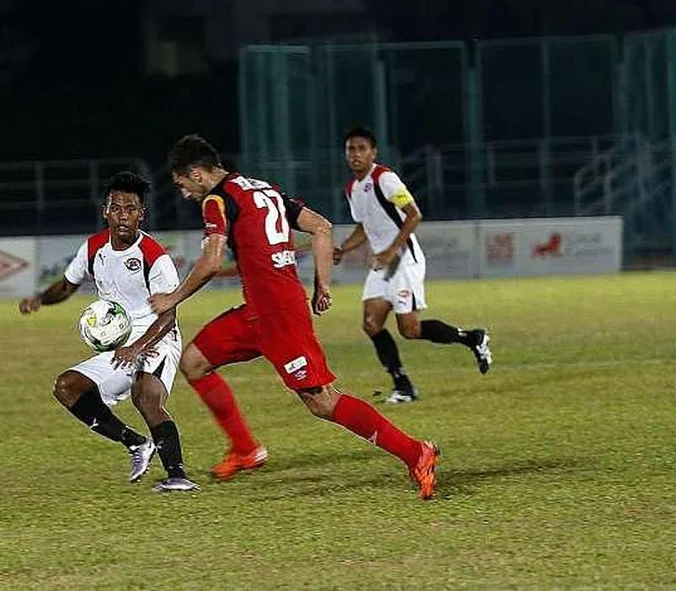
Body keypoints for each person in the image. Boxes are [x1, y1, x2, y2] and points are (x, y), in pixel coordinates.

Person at [151, 134, 439, 499]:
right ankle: (245, 449)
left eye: (182, 185)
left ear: (197, 174)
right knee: (193, 362)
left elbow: (210, 262)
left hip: (279, 316)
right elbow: (321, 226)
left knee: (322, 401)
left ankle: (417, 452)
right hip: (258, 311)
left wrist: (171, 299)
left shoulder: (216, 200)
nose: (183, 194)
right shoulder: (261, 189)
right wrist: (322, 286)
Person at [19, 171, 198, 492]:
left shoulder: (154, 257)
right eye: (116, 208)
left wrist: (138, 347)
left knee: (145, 396)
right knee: (67, 386)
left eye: (130, 209)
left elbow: (168, 317)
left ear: (142, 214)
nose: (123, 216)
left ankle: (178, 476)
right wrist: (40, 299)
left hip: (157, 337)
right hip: (119, 343)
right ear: (106, 211)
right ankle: (135, 443)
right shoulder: (93, 248)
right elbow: (66, 285)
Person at [335, 126, 492, 404]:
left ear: (373, 152)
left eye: (361, 148)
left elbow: (414, 215)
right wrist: (343, 249)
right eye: (351, 149)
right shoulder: (352, 188)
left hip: (402, 258)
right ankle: (403, 385)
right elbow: (364, 226)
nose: (355, 154)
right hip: (385, 262)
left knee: (410, 330)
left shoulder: (386, 179)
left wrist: (391, 250)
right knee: (371, 324)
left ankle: (472, 338)